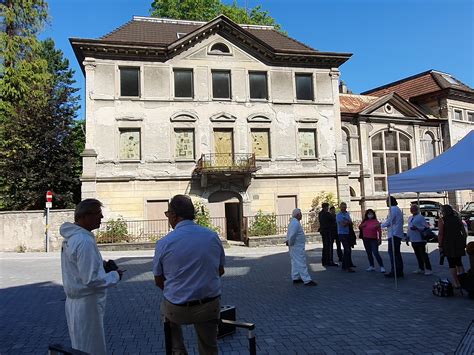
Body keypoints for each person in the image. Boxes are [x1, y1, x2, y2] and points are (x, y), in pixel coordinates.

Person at [153, 195, 226, 354]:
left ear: (173, 215)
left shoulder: (164, 242)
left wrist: (178, 289)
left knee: (168, 320)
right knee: (209, 347)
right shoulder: (212, 236)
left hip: (177, 307)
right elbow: (220, 270)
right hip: (208, 305)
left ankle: (178, 349)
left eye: (167, 215)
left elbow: (158, 280)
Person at [60, 199, 124, 355]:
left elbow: (79, 269)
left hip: (76, 302)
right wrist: (115, 275)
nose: (101, 217)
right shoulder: (84, 241)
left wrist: (101, 267)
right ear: (84, 216)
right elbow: (91, 280)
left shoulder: (72, 238)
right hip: (87, 304)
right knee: (91, 347)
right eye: (98, 213)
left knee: (80, 344)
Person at [438, 204, 467, 289]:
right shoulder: (457, 218)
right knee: (459, 262)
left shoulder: (442, 220)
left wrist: (440, 245)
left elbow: (440, 234)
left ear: (443, 211)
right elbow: (464, 232)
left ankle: (456, 282)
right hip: (458, 241)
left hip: (448, 243)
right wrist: (463, 242)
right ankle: (463, 281)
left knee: (452, 263)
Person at [286, 208, 318, 286]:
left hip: (295, 246)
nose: (301, 215)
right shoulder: (295, 223)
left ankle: (295, 277)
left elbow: (289, 234)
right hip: (296, 246)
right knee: (301, 262)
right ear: (297, 215)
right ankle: (307, 279)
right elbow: (292, 235)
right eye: (300, 214)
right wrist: (290, 242)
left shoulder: (293, 222)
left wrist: (289, 241)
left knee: (295, 262)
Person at [381, 196, 405, 278]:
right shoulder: (396, 209)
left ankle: (395, 271)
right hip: (396, 234)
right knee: (396, 253)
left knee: (393, 253)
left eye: (387, 201)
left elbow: (389, 221)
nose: (386, 203)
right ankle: (399, 270)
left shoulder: (393, 209)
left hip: (394, 234)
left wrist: (380, 225)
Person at [407, 204, 433, 276]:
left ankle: (428, 268)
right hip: (413, 239)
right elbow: (409, 228)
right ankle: (420, 267)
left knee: (423, 254)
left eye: (414, 209)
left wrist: (417, 228)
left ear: (417, 210)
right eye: (411, 209)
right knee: (417, 254)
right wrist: (407, 237)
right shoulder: (410, 218)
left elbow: (426, 227)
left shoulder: (420, 217)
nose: (412, 210)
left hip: (420, 239)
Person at [359, 209, 385, 273]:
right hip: (366, 239)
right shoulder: (365, 221)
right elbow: (360, 227)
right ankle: (371, 265)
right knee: (369, 253)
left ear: (373, 214)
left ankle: (381, 266)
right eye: (369, 214)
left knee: (375, 252)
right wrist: (363, 225)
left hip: (373, 239)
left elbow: (379, 231)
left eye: (371, 213)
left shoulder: (376, 221)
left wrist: (380, 239)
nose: (370, 215)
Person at [336, 202, 355, 272]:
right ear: (340, 208)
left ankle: (345, 265)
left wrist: (347, 222)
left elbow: (351, 222)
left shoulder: (347, 214)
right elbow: (342, 224)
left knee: (348, 250)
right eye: (342, 207)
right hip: (342, 234)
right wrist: (347, 222)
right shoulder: (338, 215)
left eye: (345, 207)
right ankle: (347, 267)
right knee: (347, 249)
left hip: (348, 233)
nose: (344, 208)